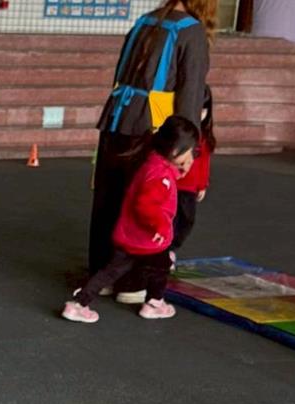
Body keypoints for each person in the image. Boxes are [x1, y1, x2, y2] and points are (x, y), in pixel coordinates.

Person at [88, 0, 216, 297]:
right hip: (152, 127)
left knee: (109, 200)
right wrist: (187, 147)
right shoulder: (191, 31)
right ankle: (132, 283)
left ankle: (101, 276)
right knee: (147, 202)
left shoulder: (145, 21)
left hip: (117, 117)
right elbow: (191, 94)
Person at [63, 115, 199, 324]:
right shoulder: (159, 175)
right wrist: (161, 227)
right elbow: (146, 206)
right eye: (189, 152)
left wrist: (176, 172)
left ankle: (79, 304)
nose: (191, 158)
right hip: (148, 240)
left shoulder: (154, 164)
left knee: (110, 272)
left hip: (131, 236)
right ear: (174, 150)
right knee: (160, 267)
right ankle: (154, 303)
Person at [172, 85, 214, 257]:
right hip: (175, 184)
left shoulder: (204, 136)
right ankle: (166, 250)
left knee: (187, 220)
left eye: (204, 110)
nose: (200, 114)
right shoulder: (180, 133)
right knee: (170, 218)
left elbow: (205, 162)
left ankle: (171, 247)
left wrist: (203, 184)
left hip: (190, 187)